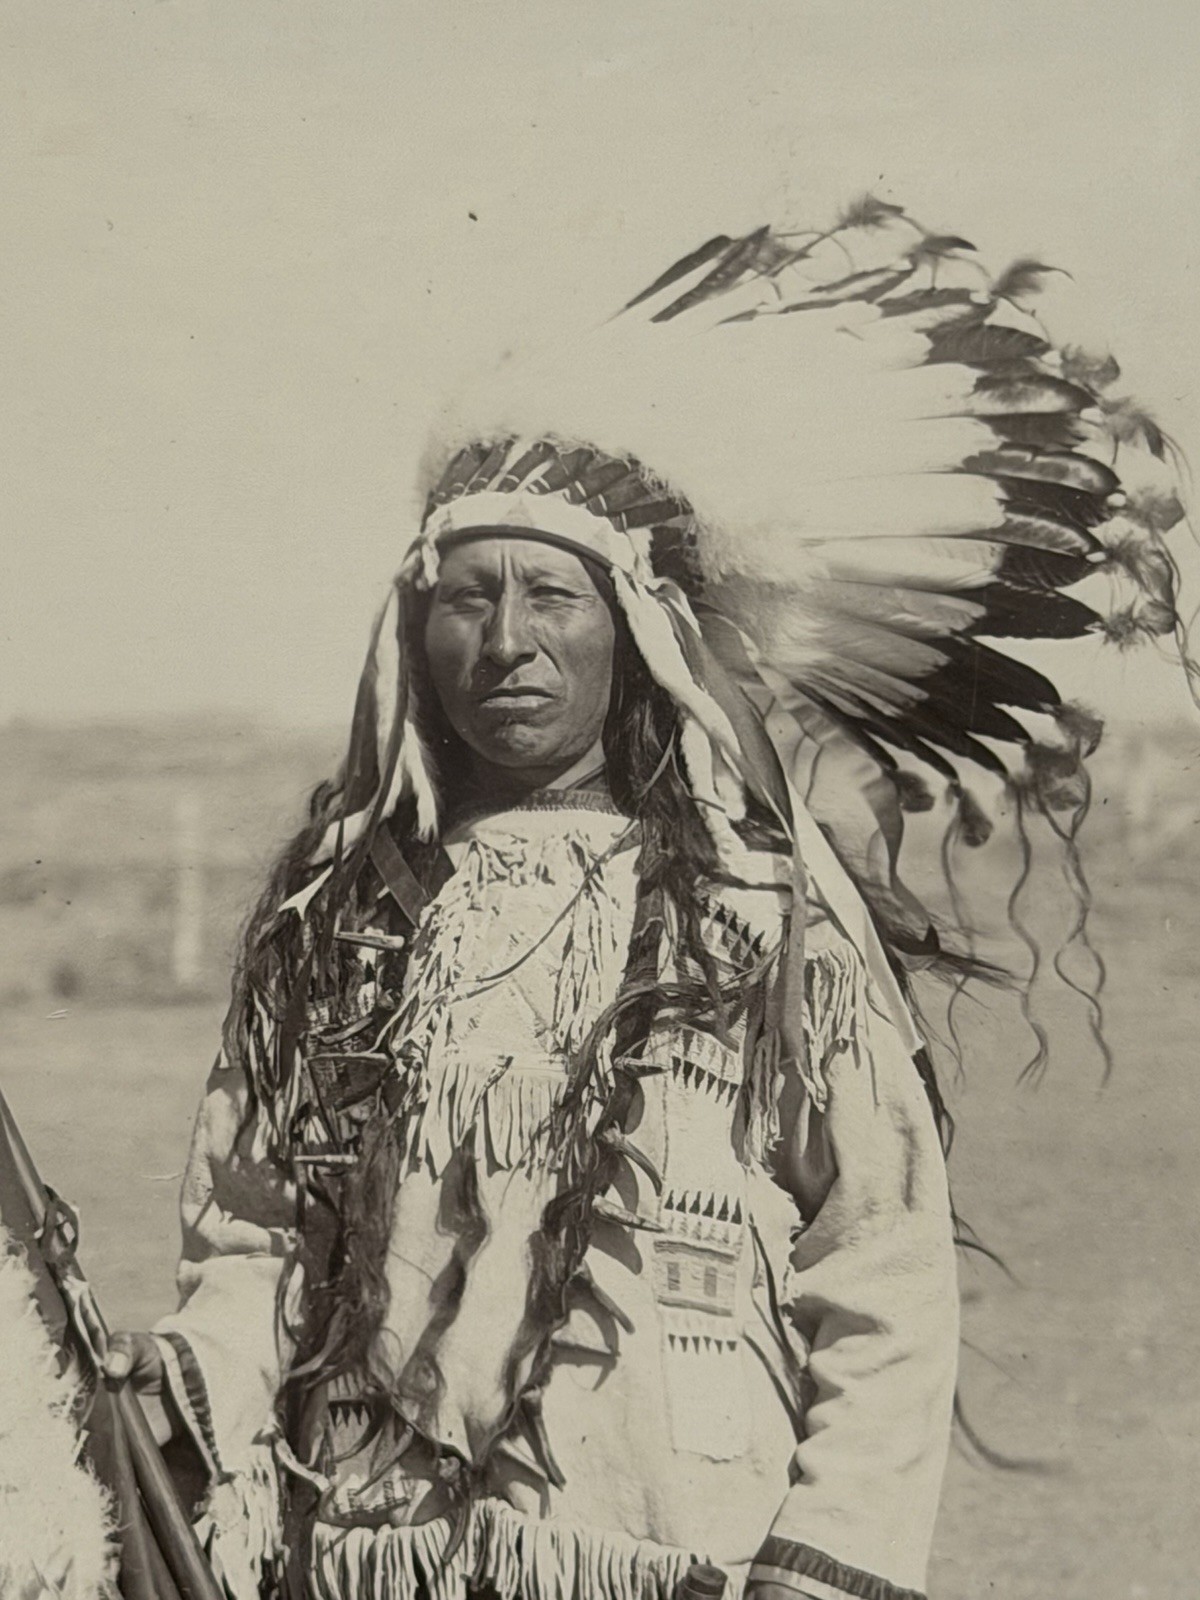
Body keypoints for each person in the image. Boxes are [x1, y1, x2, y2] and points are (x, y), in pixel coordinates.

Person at [107, 200, 1189, 1600]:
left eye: (552, 596)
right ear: (412, 633)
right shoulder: (336, 925)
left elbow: (881, 1253)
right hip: (370, 1559)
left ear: (633, 632)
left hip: (678, 1556)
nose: (506, 642)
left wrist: (831, 1556)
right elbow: (252, 1239)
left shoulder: (755, 914)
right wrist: (185, 1379)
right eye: (468, 597)